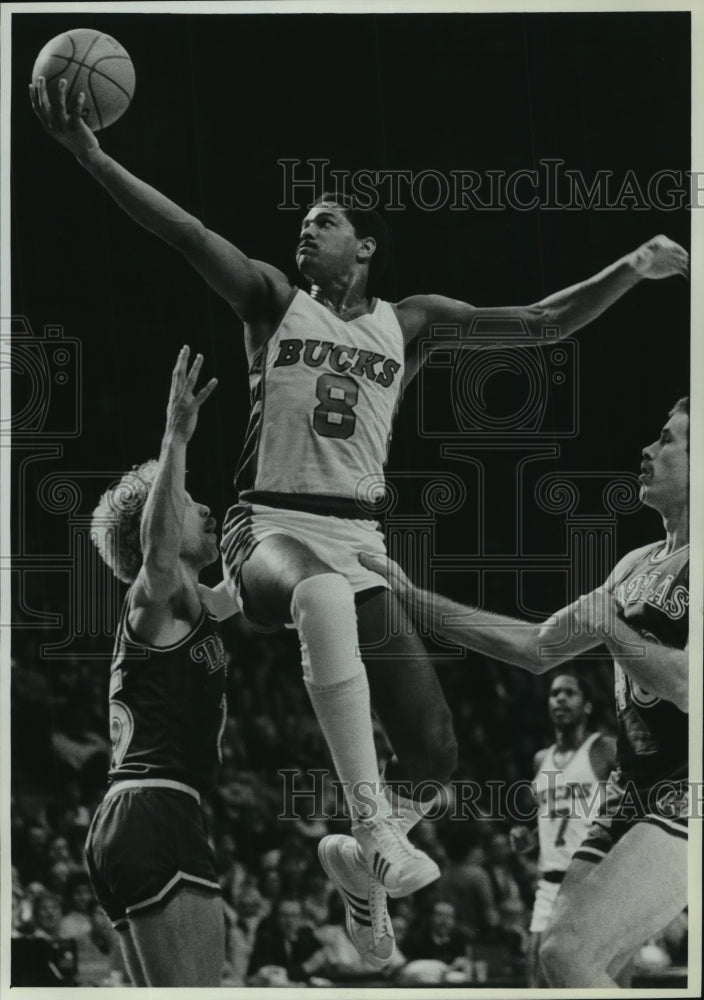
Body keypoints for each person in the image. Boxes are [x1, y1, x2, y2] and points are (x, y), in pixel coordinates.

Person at [30, 75, 689, 968]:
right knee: (324, 593)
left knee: (436, 748)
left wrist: (630, 269)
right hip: (266, 532)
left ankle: (356, 867)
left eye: (329, 219)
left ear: (366, 247)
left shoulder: (408, 324)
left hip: (359, 538)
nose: (309, 225)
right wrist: (94, 155)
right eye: (305, 219)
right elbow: (184, 232)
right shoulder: (271, 300)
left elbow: (538, 324)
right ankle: (375, 826)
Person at [362, 397, 689, 986]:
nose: (647, 450)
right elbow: (534, 646)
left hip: (689, 786)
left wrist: (610, 626)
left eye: (667, 440)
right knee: (579, 964)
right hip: (631, 788)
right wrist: (412, 598)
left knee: (566, 953)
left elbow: (689, 686)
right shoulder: (633, 564)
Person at [84, 348, 235, 986]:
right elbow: (160, 551)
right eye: (188, 502)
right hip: (156, 810)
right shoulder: (151, 600)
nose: (204, 510)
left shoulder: (188, 608)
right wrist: (175, 432)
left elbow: (248, 594)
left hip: (131, 820)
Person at [512, 672, 616, 984]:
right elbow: (555, 820)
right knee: (537, 977)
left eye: (569, 693)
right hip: (549, 884)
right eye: (555, 693)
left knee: (600, 976)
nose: (559, 699)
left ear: (586, 706)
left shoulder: (604, 749)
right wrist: (527, 838)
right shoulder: (540, 759)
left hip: (591, 881)